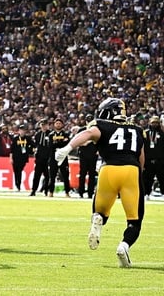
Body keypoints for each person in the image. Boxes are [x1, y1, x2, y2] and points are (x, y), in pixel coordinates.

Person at [56, 97, 145, 268]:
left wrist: (68, 148)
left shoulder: (102, 125)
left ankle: (98, 218)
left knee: (100, 211)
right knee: (134, 220)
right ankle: (123, 246)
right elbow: (141, 158)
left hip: (108, 170)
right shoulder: (137, 129)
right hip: (131, 171)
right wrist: (138, 177)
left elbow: (88, 134)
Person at [143, 118, 164, 197]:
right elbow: (142, 147)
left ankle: (163, 193)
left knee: (162, 178)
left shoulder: (163, 134)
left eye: (156, 123)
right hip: (148, 161)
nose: (154, 124)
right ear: (150, 123)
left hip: (159, 161)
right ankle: (146, 193)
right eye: (153, 123)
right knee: (147, 179)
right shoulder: (145, 133)